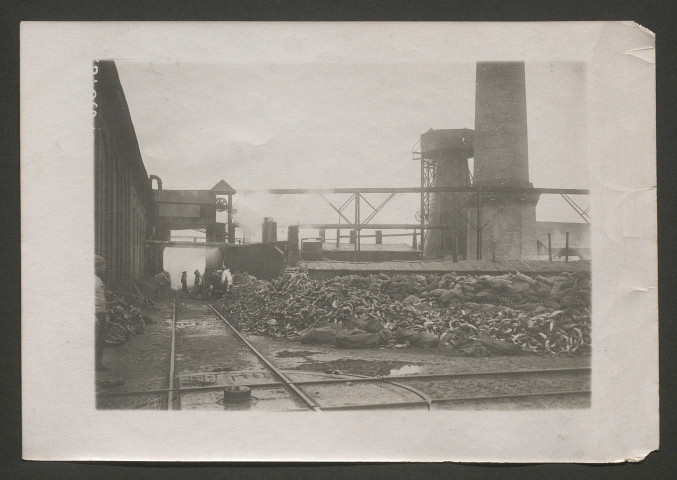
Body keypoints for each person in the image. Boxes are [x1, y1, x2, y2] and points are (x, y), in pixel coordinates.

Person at [95, 255, 110, 372]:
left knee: (100, 340)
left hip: (101, 313)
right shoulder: (92, 280)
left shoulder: (98, 279)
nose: (105, 267)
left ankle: (97, 364)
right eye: (103, 265)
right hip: (95, 314)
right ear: (97, 266)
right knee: (95, 340)